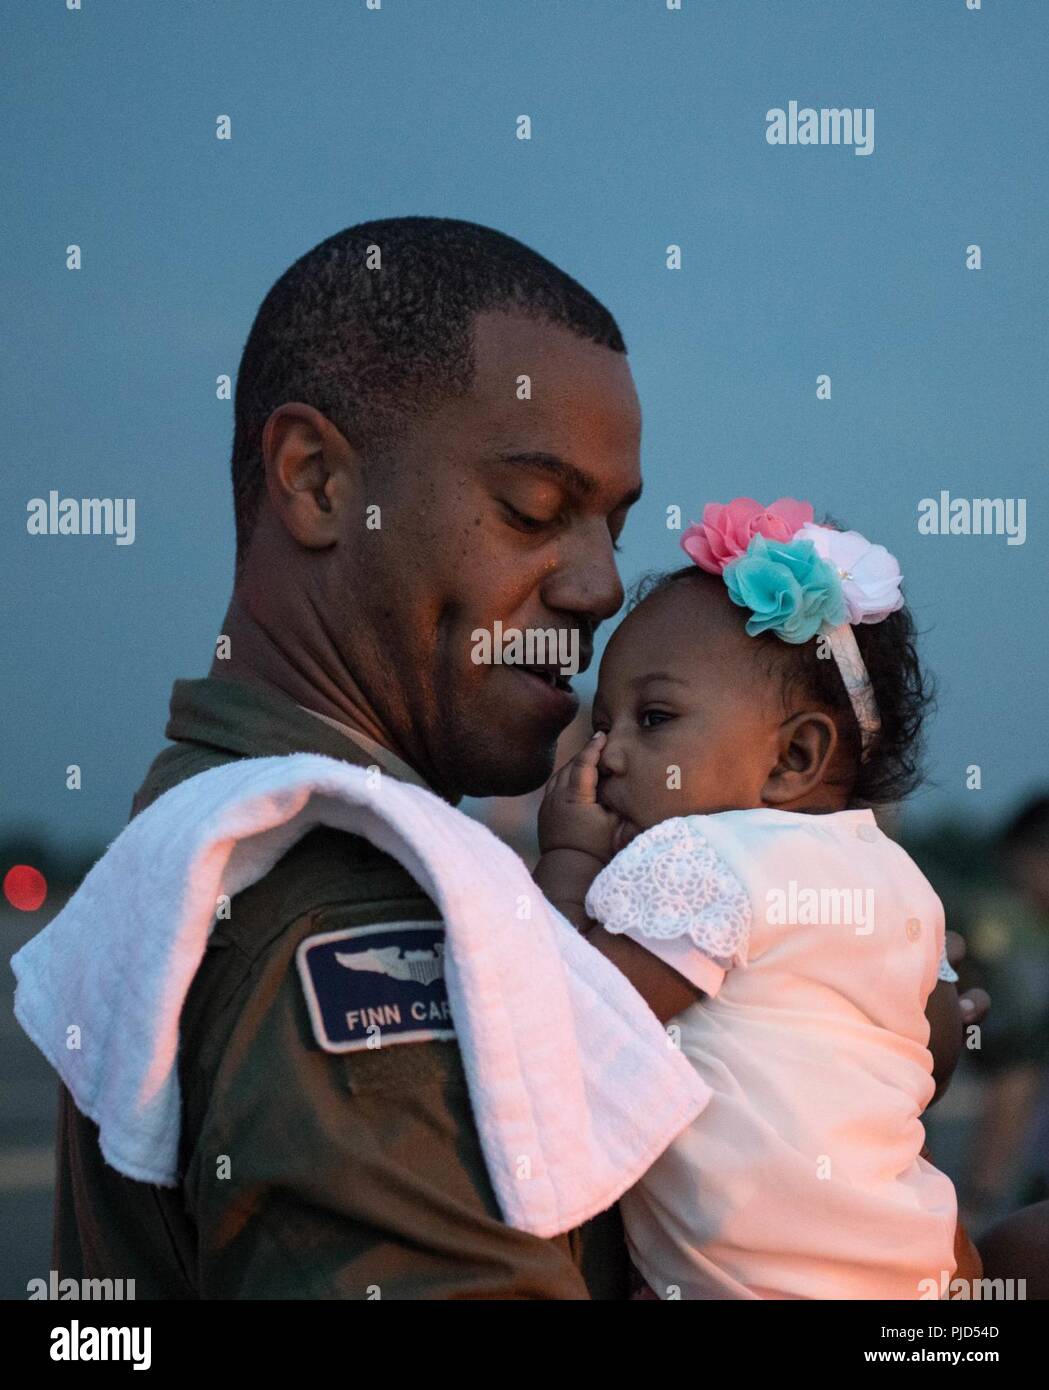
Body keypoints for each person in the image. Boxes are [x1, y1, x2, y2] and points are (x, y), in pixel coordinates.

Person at [52, 216, 644, 1298]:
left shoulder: (208, 838)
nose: (600, 586)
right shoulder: (350, 916)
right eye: (535, 509)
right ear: (316, 481)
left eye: (613, 524)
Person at [535, 497, 979, 1298]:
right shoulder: (894, 877)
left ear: (796, 756)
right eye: (604, 724)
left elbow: (570, 1023)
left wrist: (566, 858)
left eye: (654, 718)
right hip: (913, 1267)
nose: (609, 756)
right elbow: (933, 1046)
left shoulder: (698, 856)